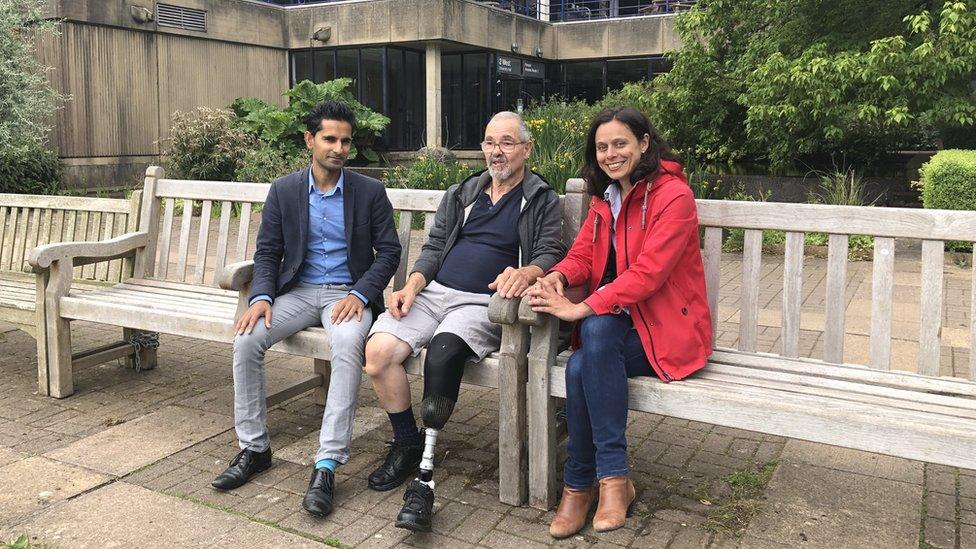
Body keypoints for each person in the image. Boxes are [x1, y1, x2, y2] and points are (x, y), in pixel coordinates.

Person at [363, 111, 565, 532]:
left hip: (482, 302)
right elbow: (434, 247)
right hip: (435, 293)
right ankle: (405, 443)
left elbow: (550, 252)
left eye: (507, 142)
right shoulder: (464, 191)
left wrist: (526, 273)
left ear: (526, 149)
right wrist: (412, 286)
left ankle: (424, 476)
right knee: (378, 353)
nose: (496, 151)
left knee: (442, 353)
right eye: (490, 142)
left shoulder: (542, 198)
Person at [526, 107, 713, 538]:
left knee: (586, 344)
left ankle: (587, 483)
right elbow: (584, 255)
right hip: (616, 331)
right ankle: (608, 482)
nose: (611, 154)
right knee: (588, 347)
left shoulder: (673, 196)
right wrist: (556, 276)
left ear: (644, 143)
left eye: (620, 143)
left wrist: (582, 307)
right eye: (602, 147)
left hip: (667, 333)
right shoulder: (604, 196)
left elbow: (649, 272)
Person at [210, 101, 401, 519]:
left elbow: (388, 253)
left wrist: (361, 292)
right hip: (298, 291)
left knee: (350, 345)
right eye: (330, 138)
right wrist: (261, 297)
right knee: (246, 340)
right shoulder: (284, 190)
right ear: (309, 140)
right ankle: (254, 448)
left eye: (345, 141)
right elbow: (268, 252)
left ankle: (327, 465)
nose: (338, 148)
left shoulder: (368, 192)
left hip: (346, 295)